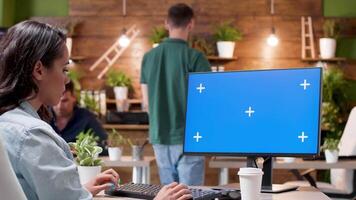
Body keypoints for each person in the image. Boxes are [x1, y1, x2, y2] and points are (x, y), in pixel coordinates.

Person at [0, 20, 192, 200]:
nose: (67, 80)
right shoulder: (33, 136)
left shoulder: (7, 122)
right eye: (64, 69)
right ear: (39, 70)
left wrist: (79, 191)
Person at [140, 3, 211, 186]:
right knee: (191, 195)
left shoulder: (149, 58)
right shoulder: (196, 58)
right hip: (190, 138)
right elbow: (208, 103)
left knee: (170, 194)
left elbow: (146, 103)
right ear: (191, 24)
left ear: (166, 23)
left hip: (159, 137)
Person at [50, 80, 107, 154]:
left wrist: (80, 150)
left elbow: (104, 146)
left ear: (74, 97)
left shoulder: (86, 117)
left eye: (64, 101)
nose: (59, 106)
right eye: (57, 101)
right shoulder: (43, 116)